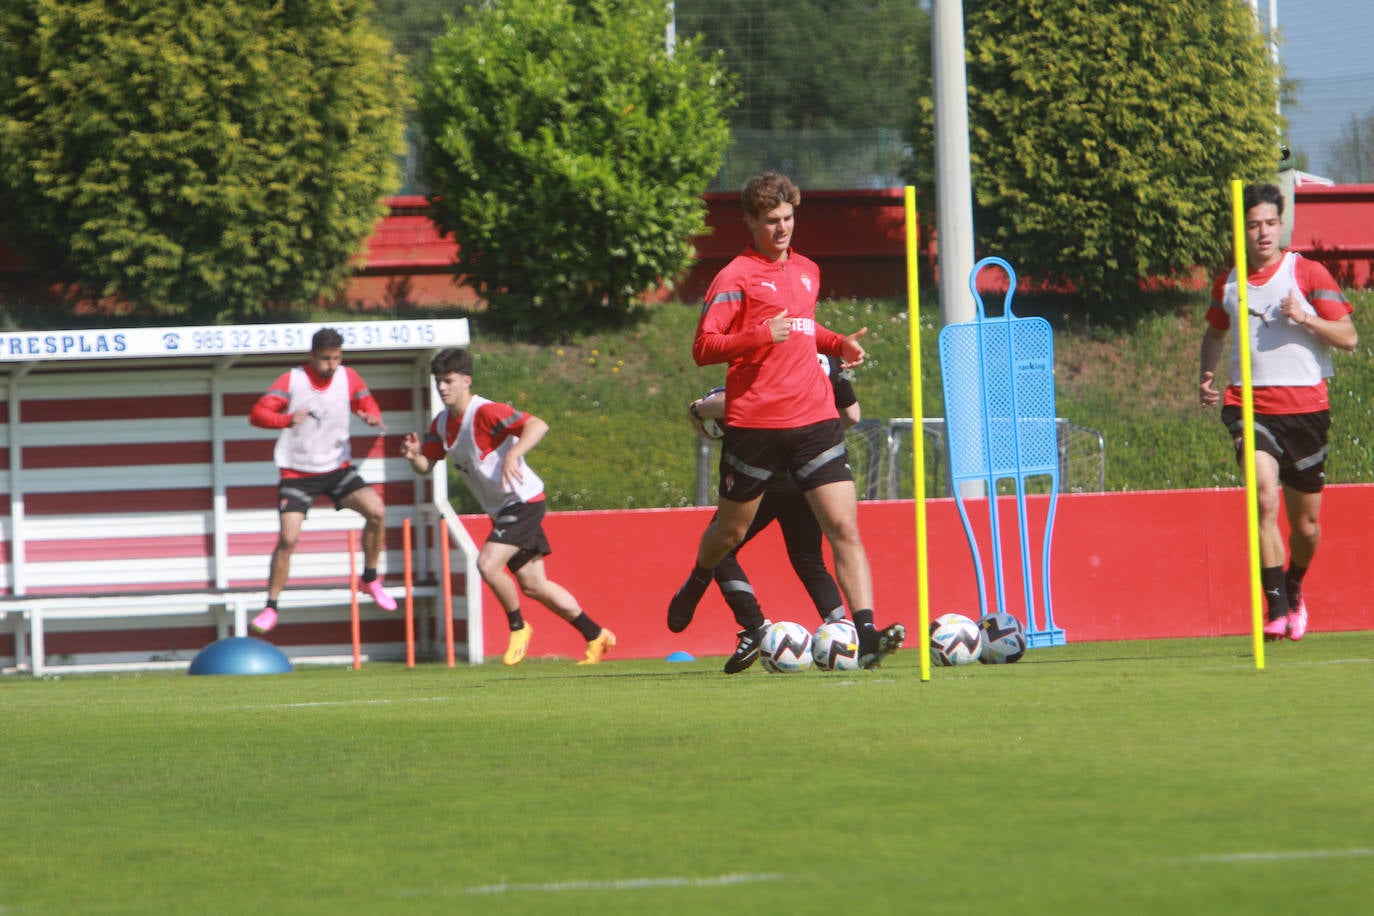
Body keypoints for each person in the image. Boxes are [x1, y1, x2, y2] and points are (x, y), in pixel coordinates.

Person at [667, 170, 905, 669]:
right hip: (755, 427)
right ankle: (698, 577)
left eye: (789, 218)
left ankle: (865, 636)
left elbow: (802, 328)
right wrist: (758, 334)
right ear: (750, 222)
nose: (783, 228)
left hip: (816, 421)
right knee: (729, 534)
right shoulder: (733, 276)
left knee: (844, 528)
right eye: (772, 220)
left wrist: (839, 343)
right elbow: (703, 348)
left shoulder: (808, 271)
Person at [1199, 183, 1357, 642]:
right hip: (1250, 405)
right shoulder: (1227, 282)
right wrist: (1206, 377)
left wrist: (1305, 316)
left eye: (1270, 223)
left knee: (1306, 527)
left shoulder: (1306, 273)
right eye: (1253, 225)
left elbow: (1348, 337)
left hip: (1306, 410)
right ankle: (1276, 607)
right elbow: (1213, 333)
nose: (1263, 233)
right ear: (1241, 229)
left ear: (1281, 225)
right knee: (1263, 497)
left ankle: (1294, 586)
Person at [400, 347, 616, 666]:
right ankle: (597, 636)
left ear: (466, 381)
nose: (442, 387)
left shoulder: (486, 412)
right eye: (438, 381)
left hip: (524, 501)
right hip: (503, 509)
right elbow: (427, 465)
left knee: (487, 564)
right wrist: (413, 456)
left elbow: (537, 426)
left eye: (448, 380)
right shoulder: (442, 423)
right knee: (534, 586)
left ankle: (518, 627)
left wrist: (515, 454)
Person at [684, 354, 861, 673]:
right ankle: (844, 634)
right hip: (808, 473)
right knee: (810, 561)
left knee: (721, 548)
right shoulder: (830, 361)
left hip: (762, 471)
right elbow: (852, 415)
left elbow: (728, 404)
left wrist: (698, 409)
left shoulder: (765, 353)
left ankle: (754, 626)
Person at [248, 327, 397, 634]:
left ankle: (369, 579)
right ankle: (271, 607)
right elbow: (258, 414)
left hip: (337, 468)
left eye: (337, 358)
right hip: (297, 473)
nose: (332, 365)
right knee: (288, 539)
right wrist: (285, 419)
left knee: (377, 511)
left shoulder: (348, 377)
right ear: (311, 356)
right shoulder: (293, 380)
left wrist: (369, 415)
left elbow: (367, 403)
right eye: (326, 359)